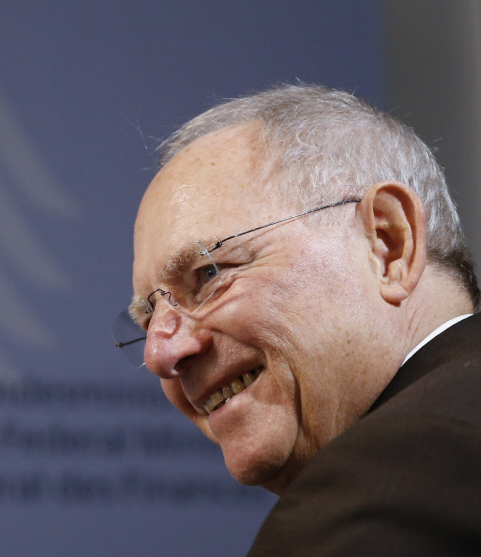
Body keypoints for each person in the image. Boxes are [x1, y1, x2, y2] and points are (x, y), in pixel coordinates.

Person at [113, 84, 481, 555]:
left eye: (209, 273)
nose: (160, 354)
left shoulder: (393, 483)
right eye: (148, 317)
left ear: (388, 245)